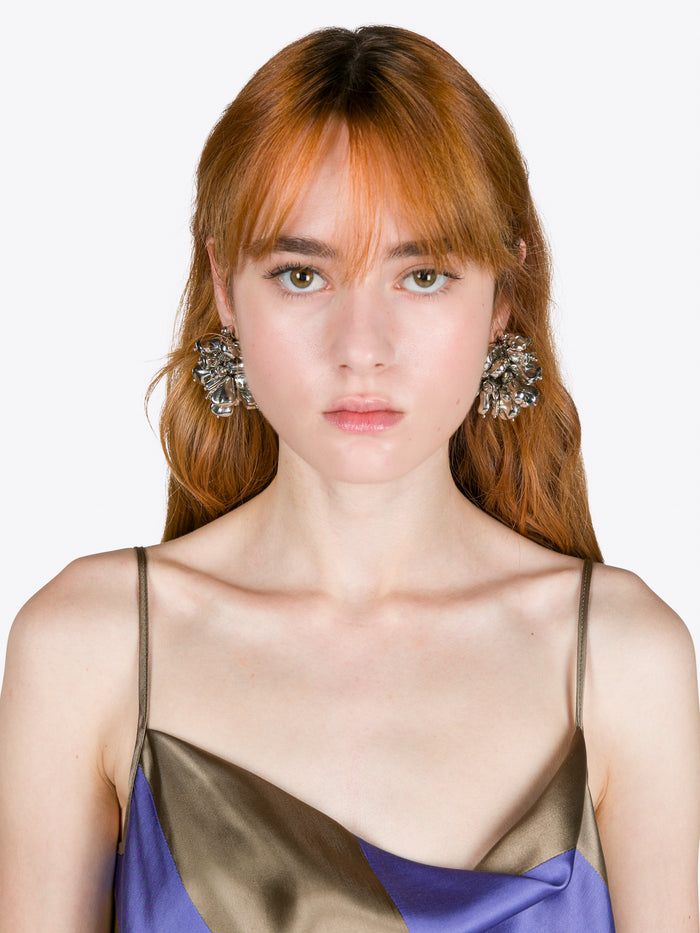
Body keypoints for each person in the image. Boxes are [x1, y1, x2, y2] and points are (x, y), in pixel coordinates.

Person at [0, 24, 698, 933]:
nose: (360, 349)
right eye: (301, 274)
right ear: (223, 282)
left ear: (503, 294)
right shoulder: (86, 649)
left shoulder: (621, 657)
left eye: (423, 276)